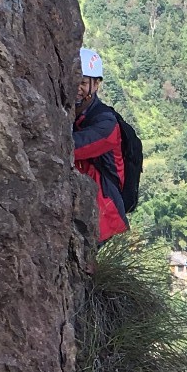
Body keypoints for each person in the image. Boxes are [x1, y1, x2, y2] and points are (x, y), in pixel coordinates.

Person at [71, 46, 130, 242]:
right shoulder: (76, 112)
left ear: (96, 85)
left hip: (104, 207)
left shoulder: (106, 124)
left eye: (83, 83)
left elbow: (74, 148)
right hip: (89, 201)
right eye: (74, 81)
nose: (77, 88)